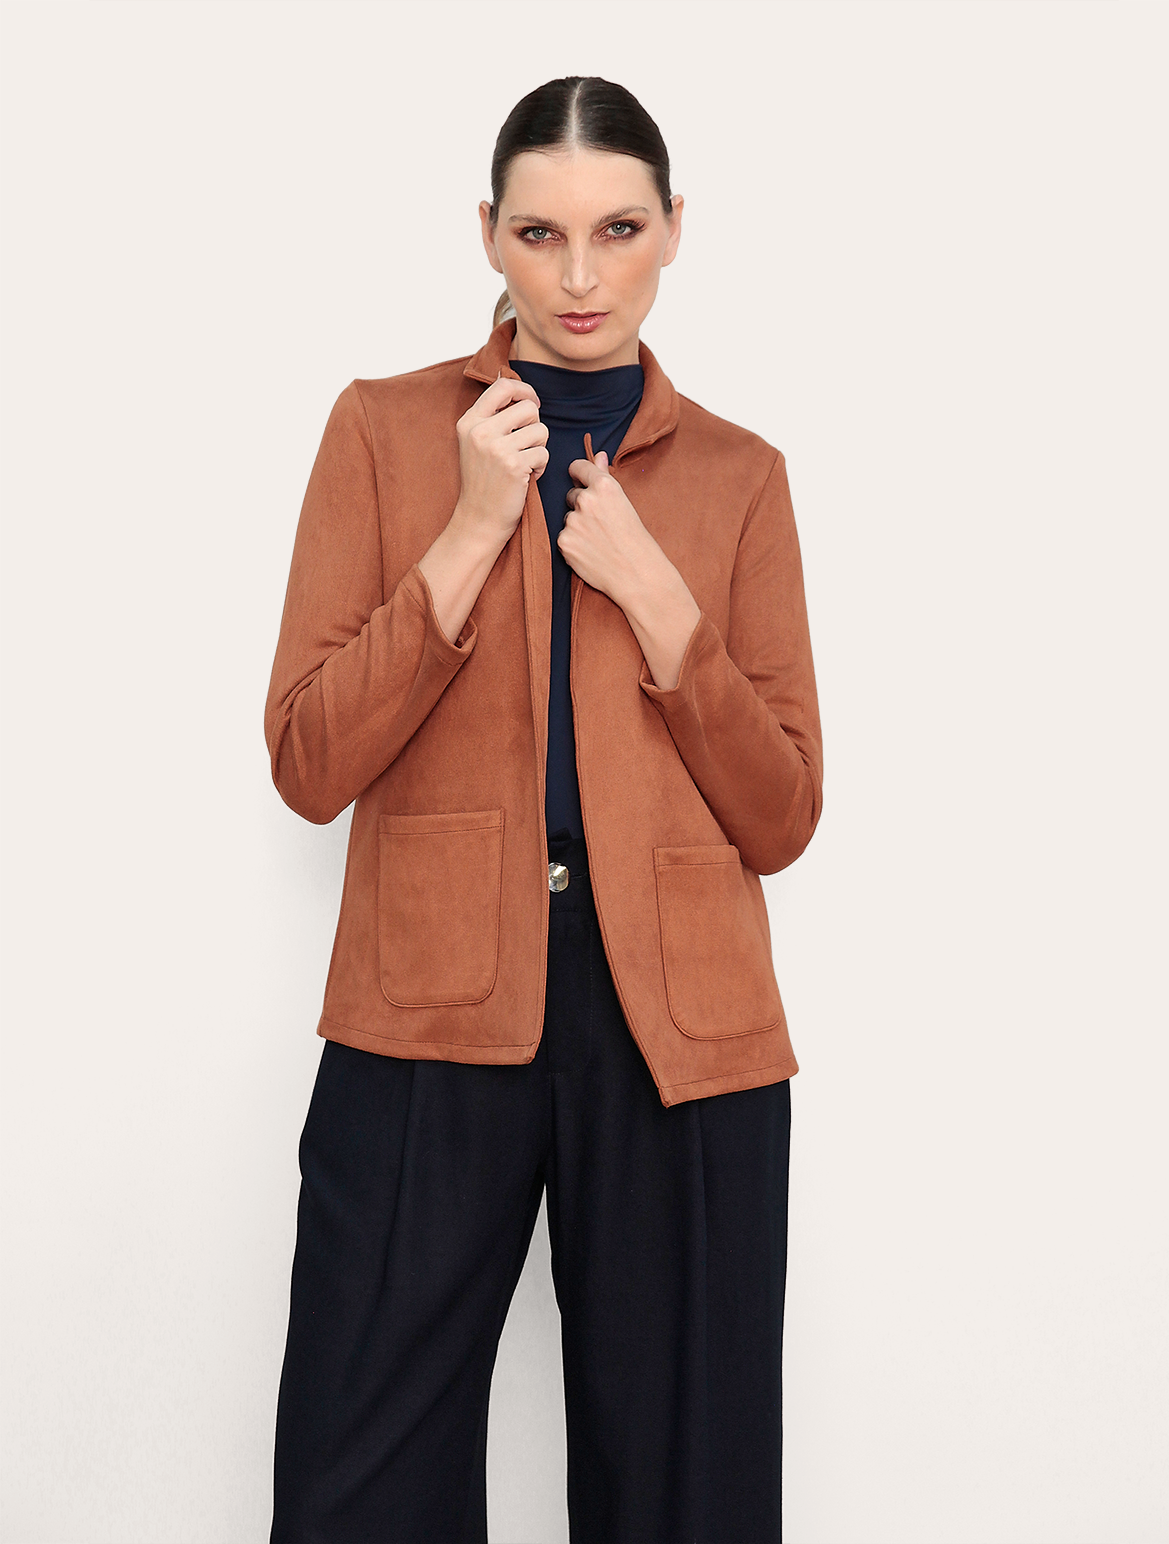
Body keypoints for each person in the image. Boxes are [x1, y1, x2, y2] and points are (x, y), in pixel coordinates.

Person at [264, 74, 823, 1544]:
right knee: (355, 1479)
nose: (581, 276)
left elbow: (782, 814)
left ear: (674, 229)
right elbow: (308, 762)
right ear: (489, 236)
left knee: (689, 1487)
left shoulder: (742, 477)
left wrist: (660, 601)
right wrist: (467, 530)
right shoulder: (382, 431)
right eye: (541, 233)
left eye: (619, 229)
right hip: (428, 1000)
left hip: (681, 1024)